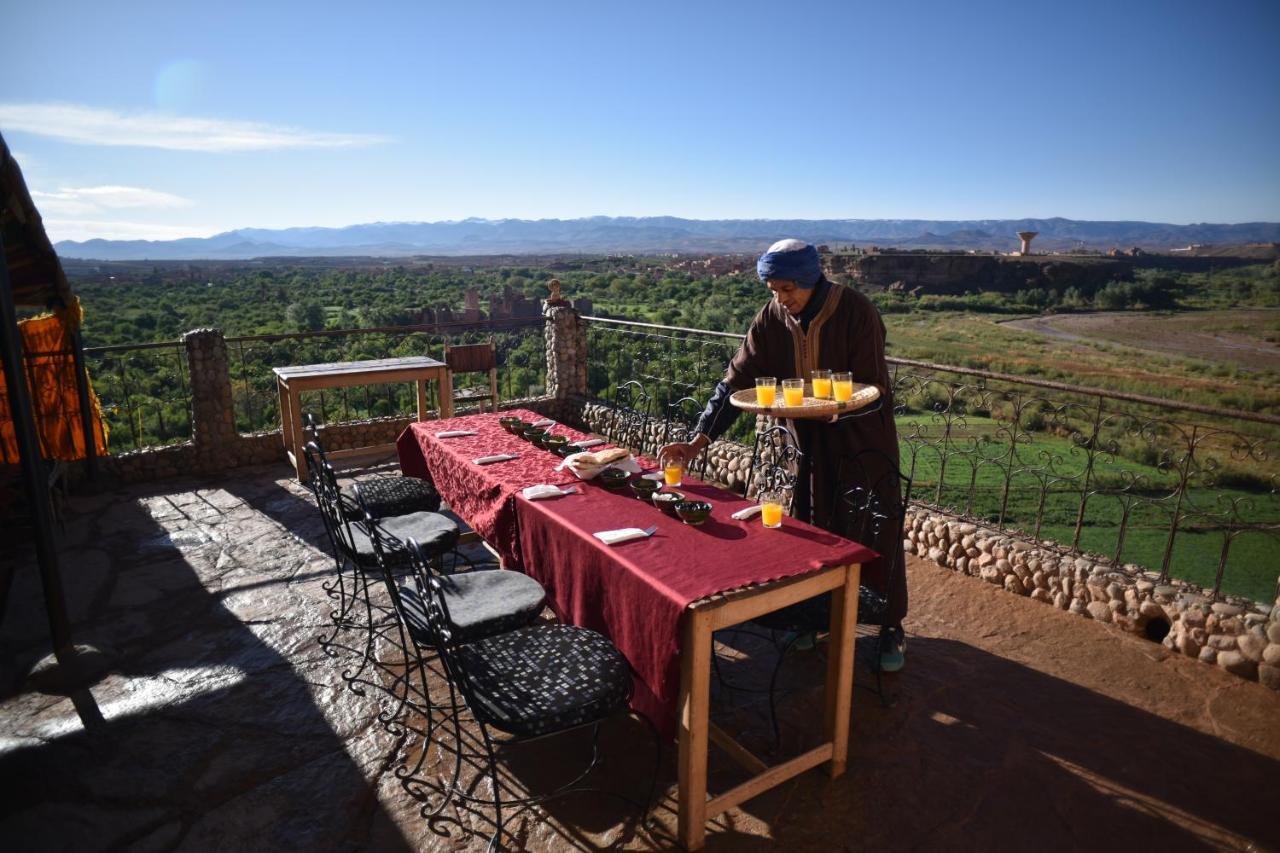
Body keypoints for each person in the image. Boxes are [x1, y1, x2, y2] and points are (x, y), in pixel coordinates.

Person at [657, 238, 908, 670]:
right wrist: (698, 441)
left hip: (860, 444)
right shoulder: (772, 317)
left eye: (788, 289)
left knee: (870, 529)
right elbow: (733, 382)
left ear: (812, 280)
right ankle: (815, 617)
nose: (781, 299)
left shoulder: (855, 311)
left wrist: (834, 412)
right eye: (774, 290)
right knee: (808, 528)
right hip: (802, 447)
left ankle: (889, 627)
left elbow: (874, 387)